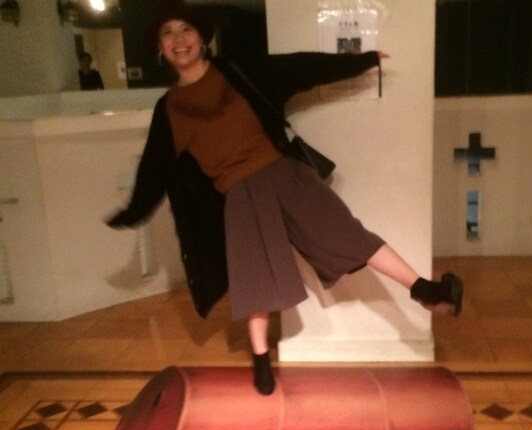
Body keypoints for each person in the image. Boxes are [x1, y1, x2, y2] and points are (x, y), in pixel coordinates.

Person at [106, 0, 463, 396]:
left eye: (185, 29)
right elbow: (155, 169)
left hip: (283, 174)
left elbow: (298, 67)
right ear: (160, 48)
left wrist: (360, 61)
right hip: (239, 196)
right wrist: (133, 212)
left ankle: (425, 289)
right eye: (167, 33)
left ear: (202, 38)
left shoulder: (236, 70)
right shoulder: (169, 109)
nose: (178, 39)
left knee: (346, 235)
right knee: (254, 277)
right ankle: (262, 363)